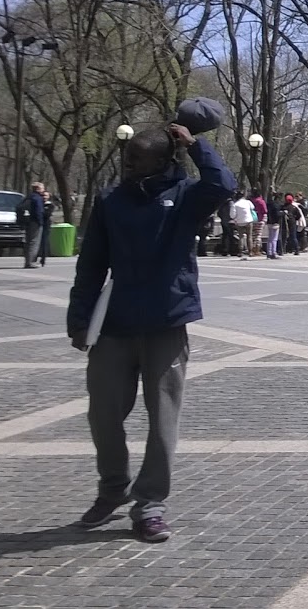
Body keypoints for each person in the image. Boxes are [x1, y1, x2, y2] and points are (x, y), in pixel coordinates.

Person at [66, 120, 234, 543]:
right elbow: (90, 265)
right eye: (126, 157)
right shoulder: (109, 200)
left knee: (162, 423)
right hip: (114, 326)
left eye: (137, 158)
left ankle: (150, 504)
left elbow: (223, 184)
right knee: (103, 416)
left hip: (166, 323)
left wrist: (196, 146)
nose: (127, 163)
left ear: (162, 160)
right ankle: (111, 489)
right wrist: (79, 318)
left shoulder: (185, 198)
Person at [22, 183, 48, 268]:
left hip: (28, 221)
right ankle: (31, 262)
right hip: (35, 222)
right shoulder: (37, 198)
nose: (43, 190)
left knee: (28, 242)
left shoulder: (28, 197)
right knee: (34, 242)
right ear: (37, 189)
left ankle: (27, 261)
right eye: (42, 188)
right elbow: (38, 211)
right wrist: (40, 221)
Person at [228, 191, 255, 260]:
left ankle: (240, 252)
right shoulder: (248, 202)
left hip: (240, 222)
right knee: (249, 236)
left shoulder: (235, 204)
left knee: (241, 237)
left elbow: (232, 215)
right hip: (249, 220)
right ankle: (250, 251)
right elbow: (253, 207)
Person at [263, 192, 284, 259]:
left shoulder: (269, 204)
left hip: (269, 222)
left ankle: (268, 253)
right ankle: (273, 252)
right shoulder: (277, 205)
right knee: (274, 239)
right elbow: (277, 214)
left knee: (269, 238)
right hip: (275, 223)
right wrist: (283, 213)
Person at [248, 191, 267, 257]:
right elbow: (265, 211)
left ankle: (253, 249)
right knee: (258, 235)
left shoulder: (251, 201)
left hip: (253, 218)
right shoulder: (261, 201)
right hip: (260, 219)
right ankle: (257, 250)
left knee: (254, 234)